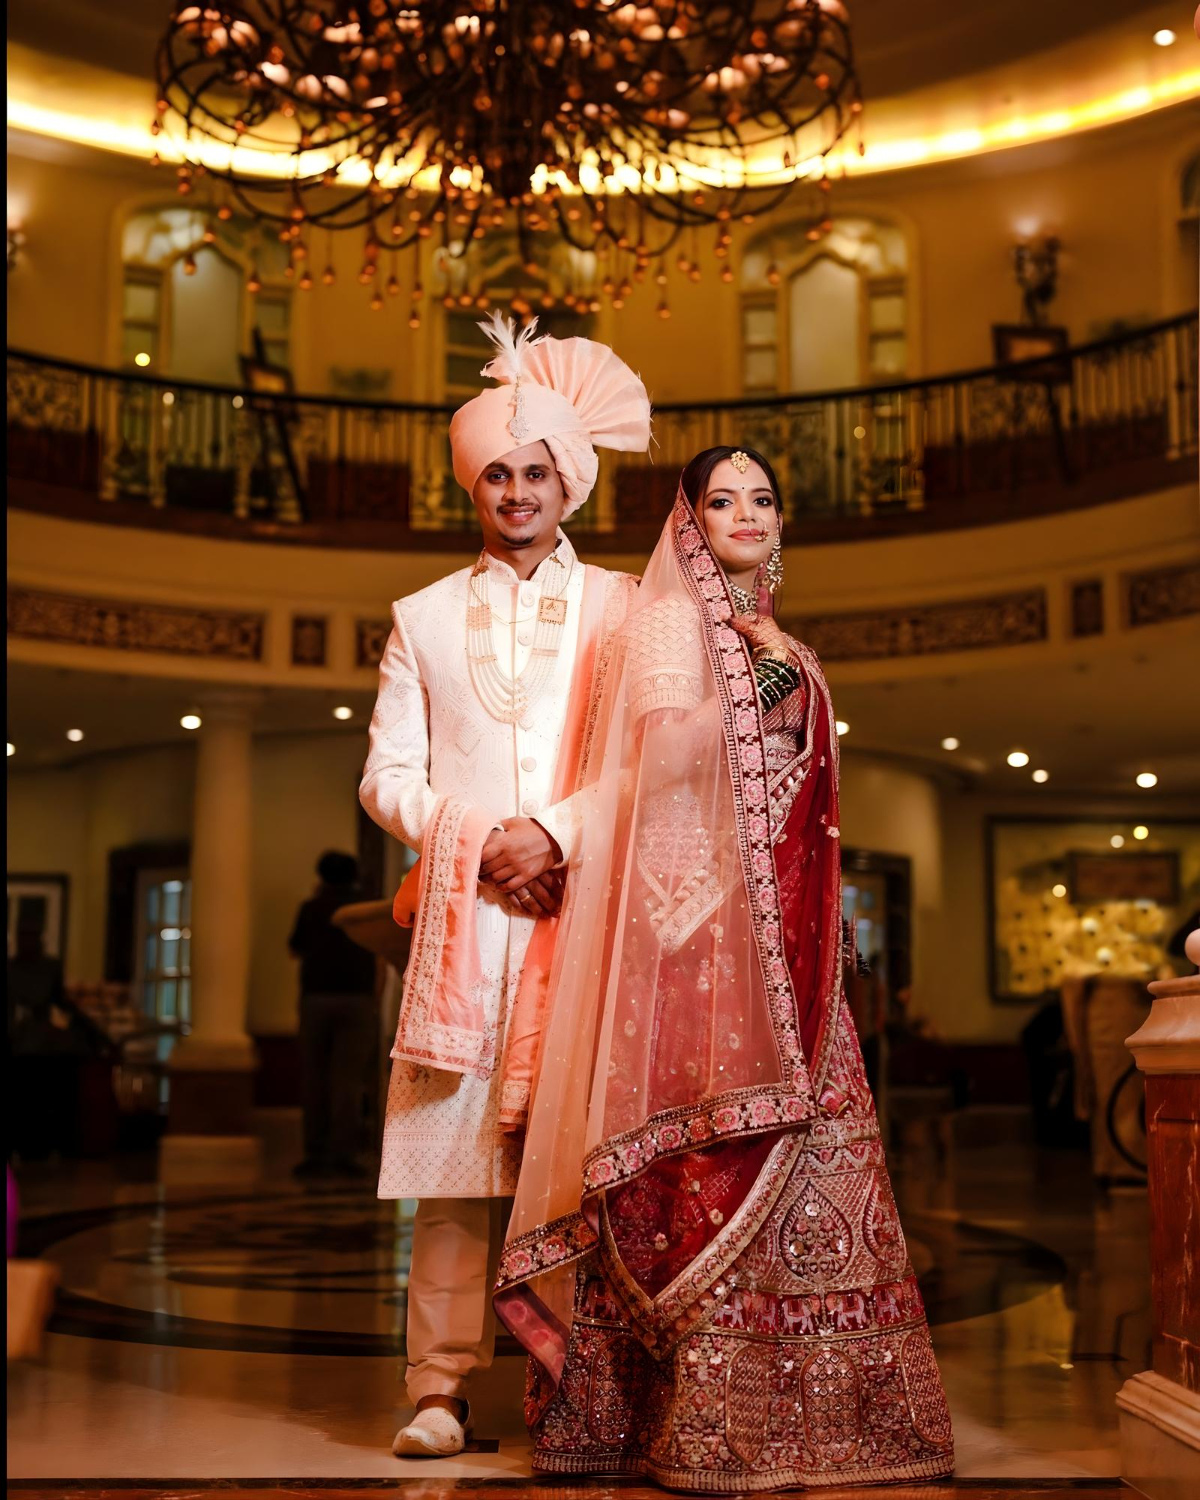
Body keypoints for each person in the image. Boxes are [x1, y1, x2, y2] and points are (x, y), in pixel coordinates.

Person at [494, 446, 955, 1491]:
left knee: (806, 1163)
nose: (747, 513)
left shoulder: (781, 640)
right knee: (696, 1173)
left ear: (781, 525)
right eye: (721, 500)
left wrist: (779, 669)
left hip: (788, 952)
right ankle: (680, 1419)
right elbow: (659, 762)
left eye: (763, 499)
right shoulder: (668, 624)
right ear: (690, 524)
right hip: (696, 940)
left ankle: (819, 1419)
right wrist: (766, 682)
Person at [359, 312, 651, 1457]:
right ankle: (437, 1390)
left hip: (585, 918)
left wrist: (556, 835)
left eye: (535, 472)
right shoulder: (422, 617)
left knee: (574, 1168)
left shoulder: (626, 607)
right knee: (454, 1169)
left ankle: (571, 1386)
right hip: (467, 924)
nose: (516, 491)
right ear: (471, 486)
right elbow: (387, 775)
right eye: (496, 473)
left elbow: (652, 761)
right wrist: (484, 841)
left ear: (570, 482)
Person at [288, 851, 380, 1180]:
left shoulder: (311, 908)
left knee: (314, 1078)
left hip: (316, 998)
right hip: (357, 1000)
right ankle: (344, 1154)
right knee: (348, 1081)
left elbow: (295, 948)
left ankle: (315, 1153)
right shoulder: (365, 909)